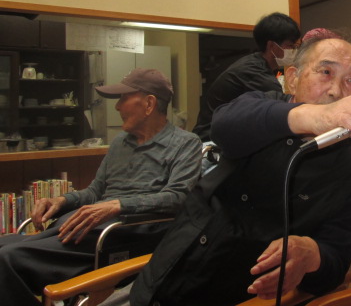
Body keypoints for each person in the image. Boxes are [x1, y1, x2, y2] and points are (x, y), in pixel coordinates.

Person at [129, 34, 351, 306]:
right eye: (325, 72)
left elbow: (336, 261)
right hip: (171, 269)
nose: (336, 91)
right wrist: (314, 116)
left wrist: (313, 254)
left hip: (245, 293)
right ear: (292, 79)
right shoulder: (262, 107)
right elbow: (223, 125)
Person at [0, 68, 203, 306]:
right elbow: (95, 191)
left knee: (6, 258)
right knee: (4, 247)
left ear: (149, 104)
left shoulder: (185, 143)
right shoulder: (120, 142)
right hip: (85, 227)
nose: (117, 107)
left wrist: (118, 205)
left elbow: (178, 197)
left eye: (124, 98)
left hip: (125, 234)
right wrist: (61, 201)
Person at [192, 12, 301, 142]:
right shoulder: (254, 72)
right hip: (211, 142)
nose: (294, 51)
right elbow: (283, 108)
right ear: (272, 46)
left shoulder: (257, 64)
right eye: (290, 46)